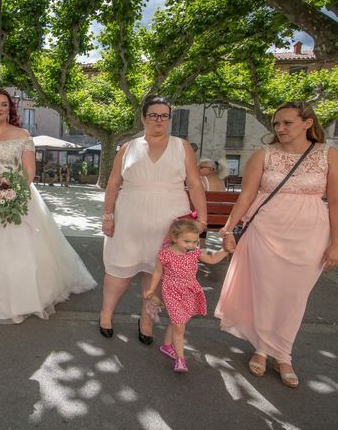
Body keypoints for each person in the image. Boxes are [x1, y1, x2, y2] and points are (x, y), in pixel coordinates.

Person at [0, 89, 96, 323]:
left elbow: (29, 171)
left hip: (17, 195)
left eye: (4, 104)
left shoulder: (22, 134)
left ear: (9, 108)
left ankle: (24, 298)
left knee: (19, 249)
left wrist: (10, 194)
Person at [215, 102, 338, 389]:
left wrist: (335, 244)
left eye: (287, 123)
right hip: (265, 231)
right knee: (267, 292)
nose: (280, 129)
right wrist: (229, 229)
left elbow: (335, 202)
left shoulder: (329, 155)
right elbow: (245, 197)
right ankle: (263, 348)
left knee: (295, 296)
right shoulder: (263, 155)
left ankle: (283, 352)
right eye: (276, 125)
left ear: (308, 123)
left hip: (311, 235)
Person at [100, 96, 207, 343]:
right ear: (143, 118)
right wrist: (108, 216)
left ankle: (146, 319)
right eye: (153, 115)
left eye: (164, 115)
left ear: (169, 119)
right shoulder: (128, 147)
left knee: (156, 270)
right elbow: (113, 183)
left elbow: (194, 183)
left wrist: (202, 220)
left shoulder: (182, 147)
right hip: (128, 218)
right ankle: (106, 314)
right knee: (119, 270)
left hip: (168, 221)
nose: (159, 120)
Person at [143, 219, 228, 372]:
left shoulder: (194, 252)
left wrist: (226, 251)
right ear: (175, 238)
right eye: (187, 241)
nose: (191, 245)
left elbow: (212, 259)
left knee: (179, 321)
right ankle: (181, 360)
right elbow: (157, 272)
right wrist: (151, 289)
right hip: (172, 291)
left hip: (190, 290)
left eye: (195, 241)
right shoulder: (165, 254)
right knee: (179, 325)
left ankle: (167, 345)